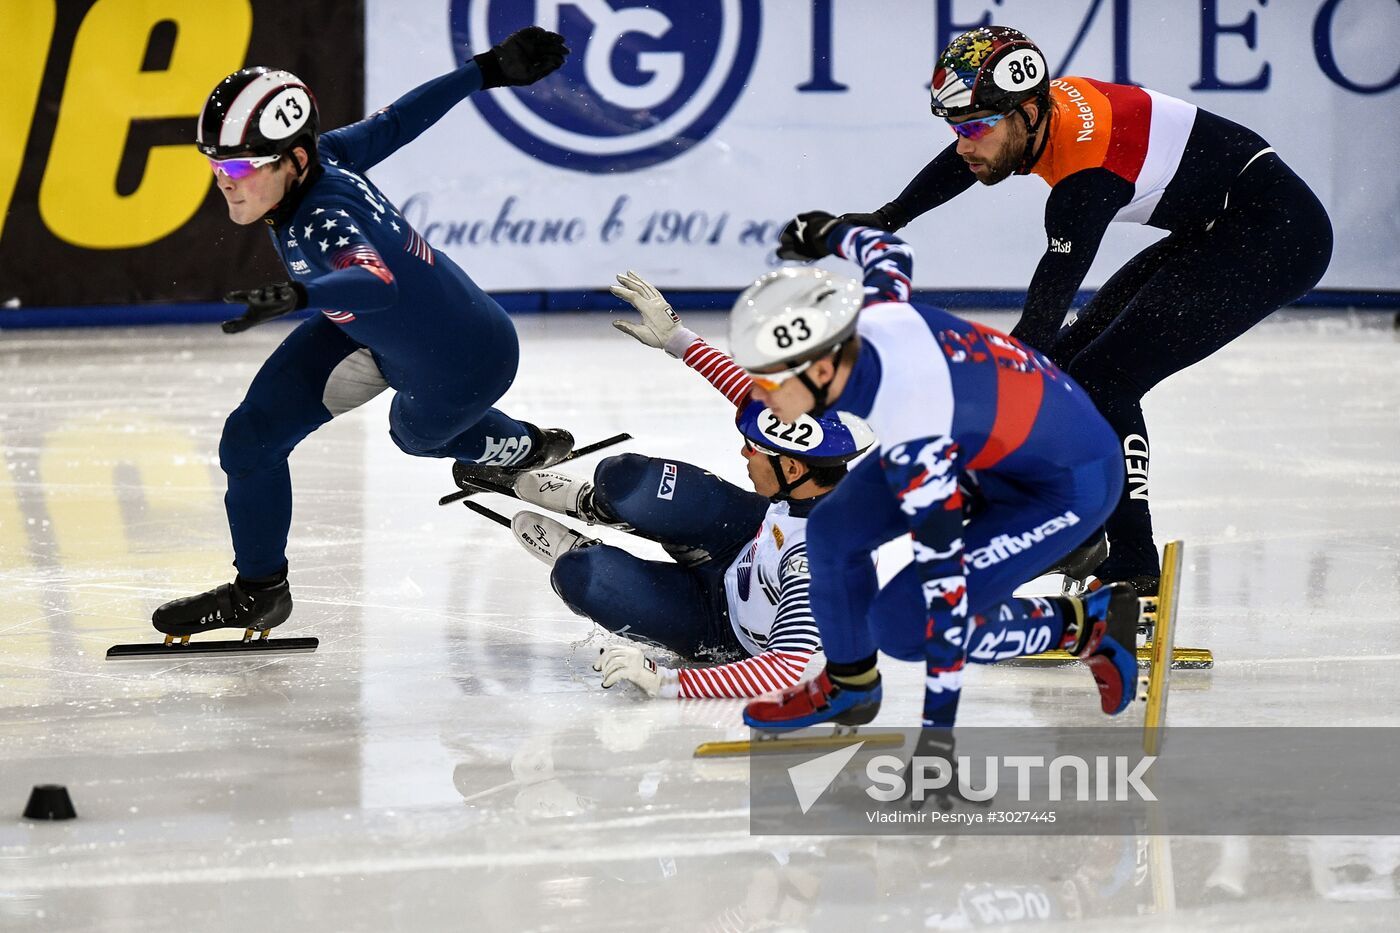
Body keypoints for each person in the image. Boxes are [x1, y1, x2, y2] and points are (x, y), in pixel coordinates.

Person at [817, 25, 1333, 595]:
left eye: (975, 128)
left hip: (1277, 236)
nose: (964, 144)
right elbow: (971, 153)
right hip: (1222, 225)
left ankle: (1132, 570)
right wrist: (889, 216)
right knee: (1066, 370)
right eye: (955, 127)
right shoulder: (1035, 112)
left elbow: (1039, 321)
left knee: (1104, 379)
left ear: (1028, 114)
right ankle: (1073, 532)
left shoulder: (1085, 180)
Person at [151, 28, 575, 640]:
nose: (226, 178)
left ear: (294, 159)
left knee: (415, 437)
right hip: (369, 334)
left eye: (241, 164)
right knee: (249, 441)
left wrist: (301, 294)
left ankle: (523, 448)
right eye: (216, 162)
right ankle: (260, 590)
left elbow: (372, 281)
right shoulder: (327, 156)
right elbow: (399, 120)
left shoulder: (323, 216)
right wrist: (483, 70)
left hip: (465, 358)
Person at [732, 218, 1141, 736]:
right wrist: (824, 232)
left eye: (768, 380)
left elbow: (945, 597)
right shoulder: (872, 316)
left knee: (907, 625)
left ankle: (1084, 625)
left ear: (819, 372)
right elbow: (888, 251)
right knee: (833, 531)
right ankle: (851, 687)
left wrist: (937, 743)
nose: (758, 396)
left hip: (1064, 484)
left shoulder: (914, 433)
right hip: (990, 443)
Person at [483, 272, 875, 699]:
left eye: (755, 449)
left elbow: (783, 669)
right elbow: (749, 396)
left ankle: (589, 557)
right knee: (626, 479)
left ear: (794, 471)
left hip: (721, 626)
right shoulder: (813, 474)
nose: (745, 453)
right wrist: (677, 337)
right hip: (746, 535)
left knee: (583, 577)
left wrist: (667, 680)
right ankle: (597, 505)